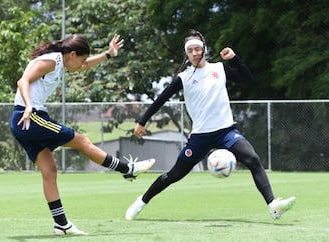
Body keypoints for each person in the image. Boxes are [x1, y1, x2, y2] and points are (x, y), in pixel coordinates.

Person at [125, 29, 295, 221]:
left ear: (204, 49)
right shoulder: (184, 77)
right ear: (187, 55)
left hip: (226, 131)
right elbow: (161, 99)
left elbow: (247, 78)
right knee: (175, 174)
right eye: (191, 51)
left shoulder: (219, 69)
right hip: (201, 136)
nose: (195, 53)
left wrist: (234, 58)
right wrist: (142, 121)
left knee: (253, 159)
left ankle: (273, 206)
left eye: (198, 49)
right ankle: (141, 202)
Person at [9, 34, 155, 236]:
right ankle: (127, 169)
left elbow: (83, 66)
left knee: (49, 171)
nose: (82, 64)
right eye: (82, 59)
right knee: (82, 140)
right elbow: (22, 81)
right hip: (29, 116)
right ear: (72, 54)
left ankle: (62, 225)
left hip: (23, 121)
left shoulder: (60, 62)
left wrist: (108, 54)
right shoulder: (51, 60)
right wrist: (29, 106)